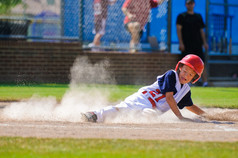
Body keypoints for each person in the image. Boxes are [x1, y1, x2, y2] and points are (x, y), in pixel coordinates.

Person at [82, 54, 208, 123]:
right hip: (143, 98)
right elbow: (169, 98)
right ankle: (94, 115)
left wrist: (208, 115)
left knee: (150, 116)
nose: (186, 75)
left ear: (194, 78)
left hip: (151, 108)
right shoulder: (172, 75)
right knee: (123, 109)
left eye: (190, 74)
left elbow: (190, 106)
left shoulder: (185, 90)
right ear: (180, 67)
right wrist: (180, 117)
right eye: (185, 70)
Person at [176, 0, 209, 87]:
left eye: (191, 3)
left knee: (202, 63)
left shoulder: (198, 16)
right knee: (185, 64)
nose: (190, 5)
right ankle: (182, 82)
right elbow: (178, 30)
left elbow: (202, 31)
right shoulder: (181, 16)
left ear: (194, 4)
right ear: (186, 5)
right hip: (186, 45)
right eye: (188, 3)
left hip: (197, 44)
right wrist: (181, 43)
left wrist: (205, 42)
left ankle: (205, 82)